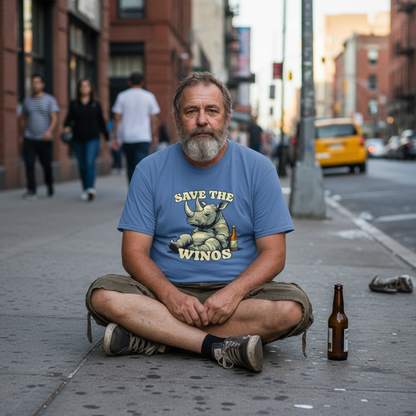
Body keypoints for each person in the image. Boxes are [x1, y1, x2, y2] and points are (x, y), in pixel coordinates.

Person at [86, 72, 313, 373]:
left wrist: (232, 294)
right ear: (177, 119)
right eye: (191, 111)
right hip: (164, 292)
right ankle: (217, 346)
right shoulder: (148, 170)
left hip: (239, 295)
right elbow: (133, 253)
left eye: (212, 111)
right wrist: (172, 297)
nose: (202, 120)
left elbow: (274, 253)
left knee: (291, 309)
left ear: (227, 116)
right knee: (102, 296)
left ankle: (157, 336)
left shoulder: (259, 168)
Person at [63, 79, 109, 201]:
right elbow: (68, 119)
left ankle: (90, 189)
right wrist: (67, 127)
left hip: (93, 138)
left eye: (87, 86)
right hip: (77, 139)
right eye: (82, 86)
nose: (84, 88)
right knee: (82, 165)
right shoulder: (74, 104)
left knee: (89, 163)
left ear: (91, 88)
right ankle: (85, 189)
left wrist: (107, 138)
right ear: (78, 88)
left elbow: (101, 122)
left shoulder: (95, 104)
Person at [111, 73, 160, 183]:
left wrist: (115, 137)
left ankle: (133, 193)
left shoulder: (122, 96)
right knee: (142, 167)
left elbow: (117, 118)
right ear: (142, 82)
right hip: (143, 137)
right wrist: (155, 135)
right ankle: (140, 194)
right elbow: (154, 119)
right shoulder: (149, 96)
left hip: (127, 137)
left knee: (130, 166)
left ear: (129, 82)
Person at [19, 74, 59, 200]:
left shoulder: (49, 99)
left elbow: (54, 118)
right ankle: (31, 190)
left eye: (37, 83)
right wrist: (20, 136)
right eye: (33, 83)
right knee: (29, 163)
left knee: (46, 165)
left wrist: (49, 132)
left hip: (44, 138)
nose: (34, 85)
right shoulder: (27, 101)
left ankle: (49, 185)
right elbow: (23, 119)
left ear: (42, 85)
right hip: (29, 137)